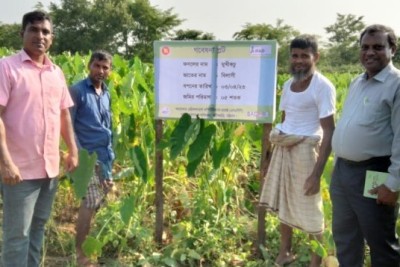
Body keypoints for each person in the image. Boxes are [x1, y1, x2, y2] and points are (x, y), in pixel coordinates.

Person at [0, 10, 78, 267]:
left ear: (52, 38)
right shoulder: (7, 67)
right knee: (17, 236)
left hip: (50, 169)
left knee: (37, 231)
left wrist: (72, 150)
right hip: (19, 172)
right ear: (22, 33)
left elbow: (64, 113)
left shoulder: (56, 72)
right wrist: (5, 162)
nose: (40, 36)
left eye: (45, 31)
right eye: (33, 30)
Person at [259, 34, 336, 267]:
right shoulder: (288, 84)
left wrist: (316, 174)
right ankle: (285, 252)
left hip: (306, 151)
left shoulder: (322, 87)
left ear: (316, 57)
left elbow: (329, 131)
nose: (299, 60)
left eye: (305, 56)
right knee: (284, 201)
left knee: (311, 210)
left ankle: (315, 260)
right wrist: (271, 155)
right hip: (284, 148)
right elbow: (285, 118)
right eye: (295, 55)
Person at [330, 24, 400, 267]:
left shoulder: (396, 84)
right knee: (345, 238)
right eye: (365, 47)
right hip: (342, 172)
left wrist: (393, 183)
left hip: (375, 172)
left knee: (380, 242)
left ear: (392, 49)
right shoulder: (356, 82)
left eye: (378, 47)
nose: (370, 52)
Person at [69, 50, 115, 267]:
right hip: (86, 157)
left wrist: (111, 155)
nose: (101, 71)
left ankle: (90, 248)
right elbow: (67, 125)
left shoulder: (106, 93)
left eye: (105, 67)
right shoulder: (77, 91)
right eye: (97, 66)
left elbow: (108, 127)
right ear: (89, 65)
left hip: (105, 157)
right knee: (89, 203)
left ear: (110, 70)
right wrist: (77, 154)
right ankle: (81, 255)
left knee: (98, 203)